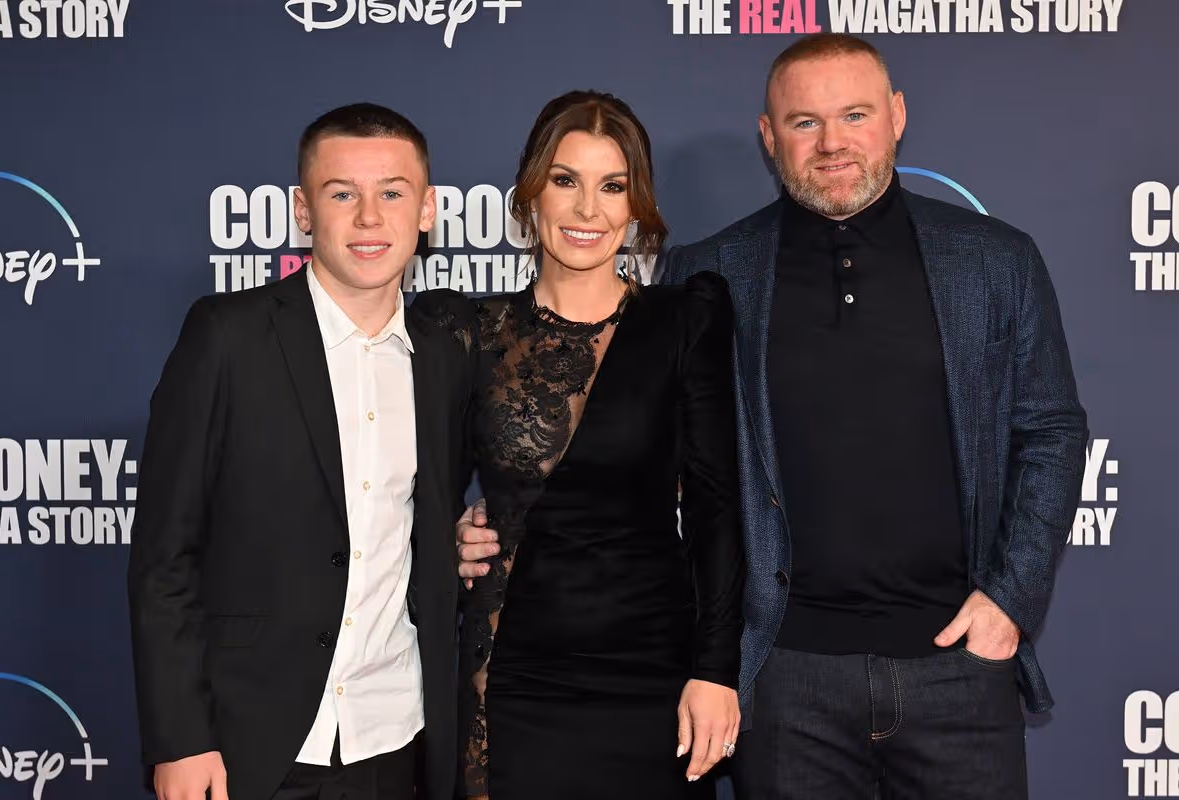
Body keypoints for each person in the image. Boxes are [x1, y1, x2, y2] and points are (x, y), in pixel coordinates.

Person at [460, 32, 1088, 800]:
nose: (831, 143)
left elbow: (1052, 431)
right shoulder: (711, 274)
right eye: (803, 122)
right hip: (786, 684)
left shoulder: (995, 260)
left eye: (854, 114)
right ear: (768, 136)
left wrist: (1010, 599)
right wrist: (497, 519)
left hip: (957, 671)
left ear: (895, 117)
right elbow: (674, 474)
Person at [127, 103, 471, 800]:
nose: (369, 218)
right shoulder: (227, 338)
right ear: (302, 211)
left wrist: (454, 538)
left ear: (428, 209)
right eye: (342, 193)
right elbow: (165, 559)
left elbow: (421, 516)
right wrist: (182, 739)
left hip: (399, 739)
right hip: (252, 748)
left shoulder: (443, 356)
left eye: (392, 193)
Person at [416, 89, 745, 800]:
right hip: (512, 671)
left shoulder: (684, 320)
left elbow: (718, 511)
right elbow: (412, 488)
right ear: (531, 194)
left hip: (652, 671)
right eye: (565, 181)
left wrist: (716, 670)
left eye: (612, 186)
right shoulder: (470, 331)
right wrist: (440, 536)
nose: (588, 210)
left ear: (637, 206)